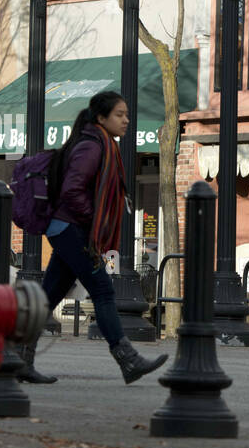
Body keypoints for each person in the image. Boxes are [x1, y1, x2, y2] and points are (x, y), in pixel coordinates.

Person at [18, 90, 168, 385]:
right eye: (119, 115)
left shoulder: (98, 143)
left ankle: (19, 358)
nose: (126, 120)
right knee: (102, 290)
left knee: (48, 296)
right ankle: (129, 361)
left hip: (67, 228)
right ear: (101, 118)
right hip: (73, 228)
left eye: (126, 114)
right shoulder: (93, 147)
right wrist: (92, 223)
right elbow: (72, 190)